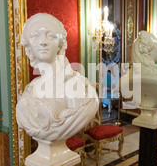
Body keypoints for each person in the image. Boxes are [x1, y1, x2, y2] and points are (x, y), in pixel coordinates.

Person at [16, 13, 98, 142]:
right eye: (35, 36)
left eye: (50, 36)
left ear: (61, 44)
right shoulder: (31, 88)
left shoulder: (80, 89)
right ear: (28, 46)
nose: (43, 42)